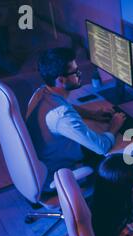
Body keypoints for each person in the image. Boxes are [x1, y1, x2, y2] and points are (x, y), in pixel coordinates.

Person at [26, 47, 126, 189]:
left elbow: (65, 106)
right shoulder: (62, 116)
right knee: (119, 160)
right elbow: (101, 147)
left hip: (45, 161)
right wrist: (114, 125)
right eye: (75, 72)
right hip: (60, 174)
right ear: (61, 79)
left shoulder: (41, 93)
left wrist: (92, 114)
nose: (80, 74)